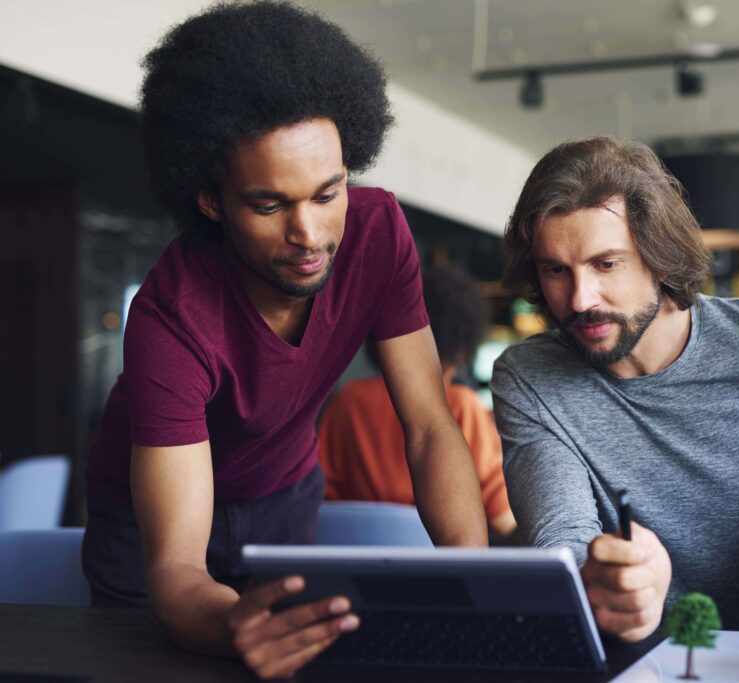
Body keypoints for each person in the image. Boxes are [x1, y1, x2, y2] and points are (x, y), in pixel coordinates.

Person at [82, 3, 487, 679]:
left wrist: (475, 586)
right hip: (146, 518)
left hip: (284, 494)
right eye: (269, 205)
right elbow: (178, 572)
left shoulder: (378, 233)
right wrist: (229, 624)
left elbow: (427, 425)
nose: (309, 235)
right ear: (211, 199)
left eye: (328, 194)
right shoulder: (170, 316)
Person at [491, 136, 739, 639]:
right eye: (556, 270)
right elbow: (562, 543)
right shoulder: (531, 377)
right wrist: (611, 585)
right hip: (650, 662)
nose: (581, 298)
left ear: (658, 255)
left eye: (606, 264)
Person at [318, 266, 517, 537]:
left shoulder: (349, 400)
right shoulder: (461, 405)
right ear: (461, 346)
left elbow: (324, 497)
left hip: (355, 555)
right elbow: (502, 518)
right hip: (436, 555)